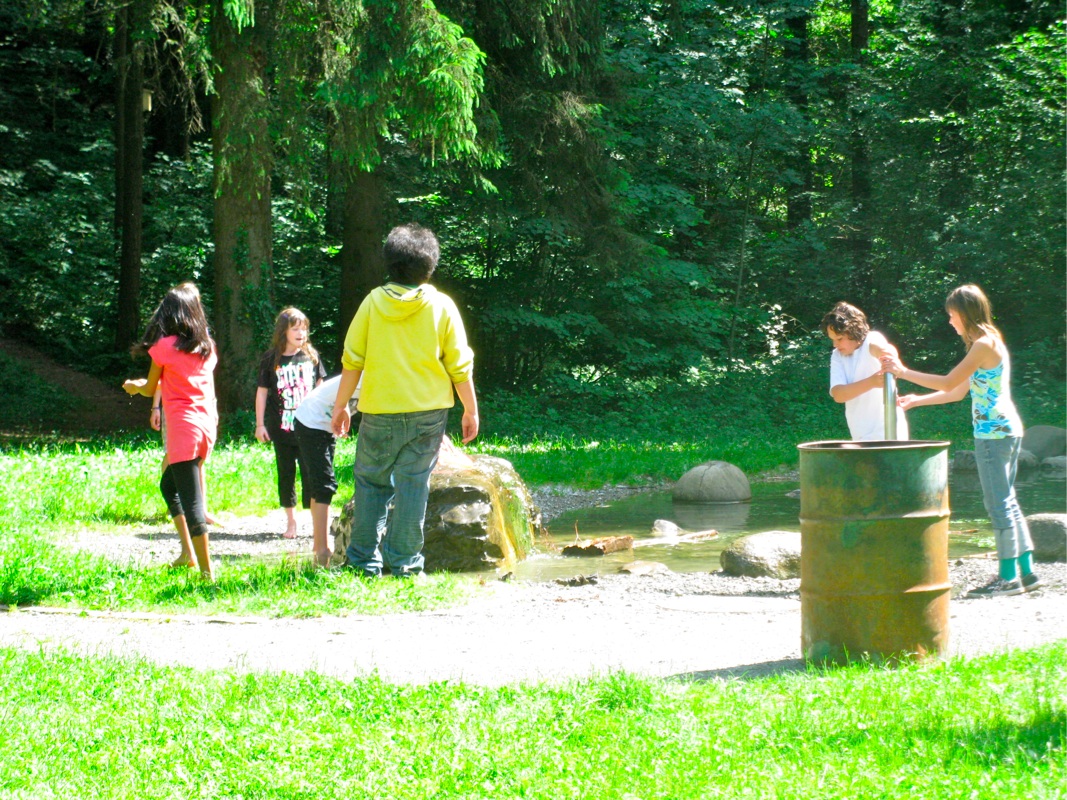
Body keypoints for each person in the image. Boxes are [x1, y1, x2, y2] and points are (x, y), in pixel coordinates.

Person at [330, 222, 479, 578]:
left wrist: (341, 406)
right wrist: (470, 409)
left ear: (389, 263)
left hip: (379, 411)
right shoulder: (441, 305)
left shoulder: (372, 303)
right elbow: (459, 365)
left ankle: (363, 564)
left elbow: (352, 360)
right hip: (428, 412)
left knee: (371, 484)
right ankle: (406, 566)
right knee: (413, 486)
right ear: (430, 266)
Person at [881, 284, 1041, 598]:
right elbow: (957, 392)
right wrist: (917, 401)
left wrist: (902, 371)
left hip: (993, 433)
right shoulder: (990, 341)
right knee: (1007, 501)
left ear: (965, 313)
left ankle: (1008, 579)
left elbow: (948, 381)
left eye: (952, 315)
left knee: (998, 504)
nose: (950, 321)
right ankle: (1028, 572)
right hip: (1007, 430)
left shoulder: (982, 344)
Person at [123, 282, 218, 580]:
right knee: (169, 487)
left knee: (193, 504)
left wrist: (134, 386)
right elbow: (185, 381)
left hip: (183, 431)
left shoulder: (163, 347)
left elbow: (150, 387)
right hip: (205, 428)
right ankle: (188, 554)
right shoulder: (207, 347)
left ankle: (207, 575)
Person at [255, 308, 326, 538]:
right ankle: (291, 523)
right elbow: (262, 393)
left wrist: (325, 420)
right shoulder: (270, 359)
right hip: (281, 429)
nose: (301, 333)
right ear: (283, 331)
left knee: (311, 475)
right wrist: (260, 424)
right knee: (286, 475)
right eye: (295, 329)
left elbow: (321, 390)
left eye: (304, 328)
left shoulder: (312, 356)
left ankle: (315, 524)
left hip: (310, 429)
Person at [293, 374, 360, 567]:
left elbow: (343, 395)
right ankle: (323, 550)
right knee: (324, 486)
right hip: (311, 421)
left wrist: (344, 411)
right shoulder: (370, 372)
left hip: (323, 424)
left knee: (319, 486)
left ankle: (318, 547)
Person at [821, 301, 909, 441]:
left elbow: (884, 349)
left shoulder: (871, 339)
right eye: (832, 340)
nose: (835, 344)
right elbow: (838, 394)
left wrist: (889, 359)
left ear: (854, 331)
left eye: (839, 338)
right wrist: (872, 382)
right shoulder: (837, 355)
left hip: (889, 428)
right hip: (860, 433)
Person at [152, 386, 217, 526]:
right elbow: (159, 381)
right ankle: (173, 508)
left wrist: (213, 406)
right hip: (174, 410)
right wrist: (155, 407)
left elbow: (207, 381)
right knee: (171, 453)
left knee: (198, 456)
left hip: (198, 407)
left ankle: (202, 510)